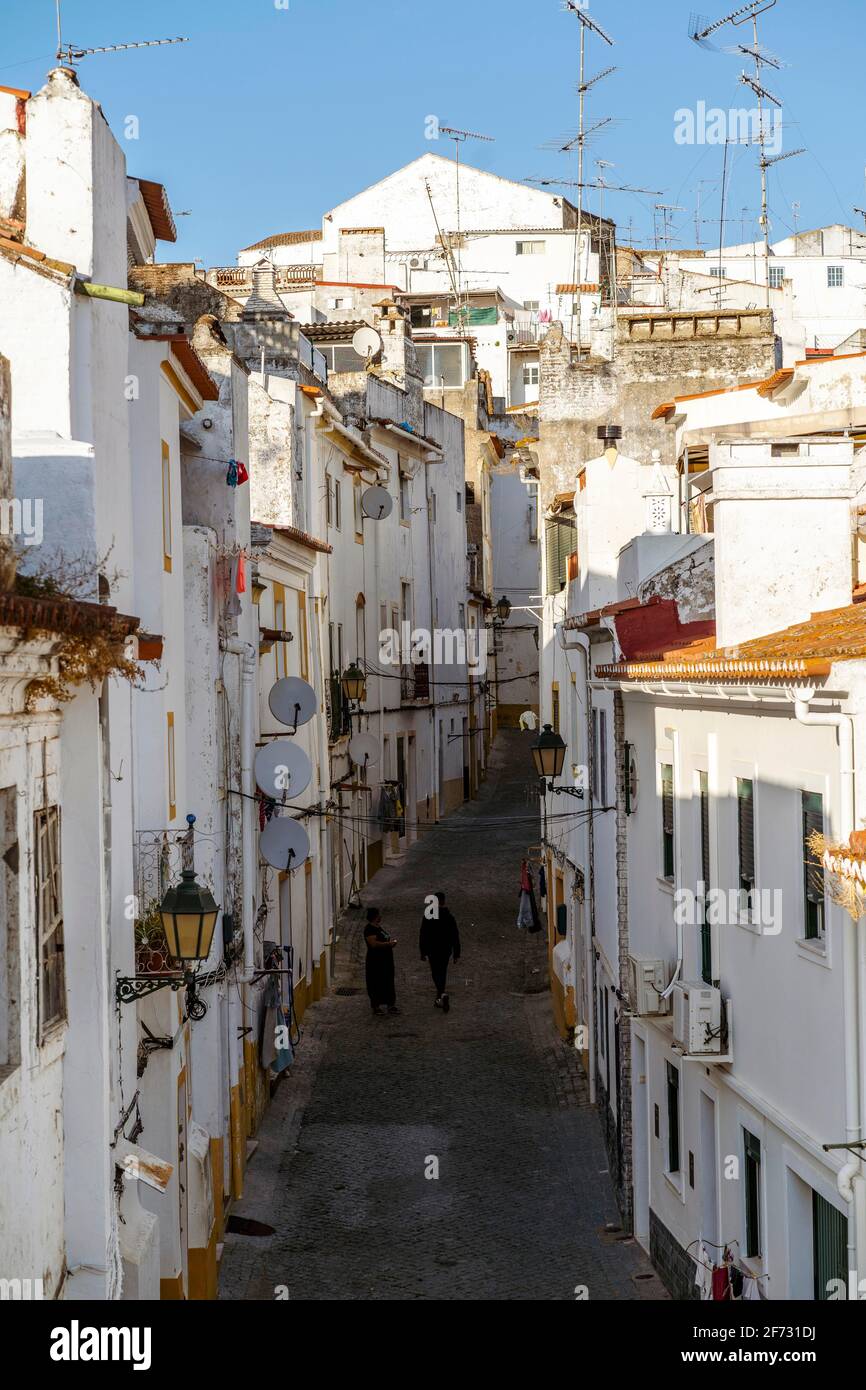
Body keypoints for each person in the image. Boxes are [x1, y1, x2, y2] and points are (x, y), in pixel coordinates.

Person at [419, 891, 460, 1013]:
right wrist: (456, 952)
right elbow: (455, 935)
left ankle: (441, 994)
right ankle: (440, 996)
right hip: (445, 949)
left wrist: (422, 951)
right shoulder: (449, 917)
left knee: (435, 972)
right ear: (443, 901)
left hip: (432, 949)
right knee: (443, 971)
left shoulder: (428, 915)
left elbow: (423, 934)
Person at [364, 907, 398, 1014]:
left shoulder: (378, 927)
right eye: (379, 914)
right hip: (376, 962)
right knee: (376, 982)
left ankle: (390, 1004)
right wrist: (389, 944)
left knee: (388, 982)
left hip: (386, 961)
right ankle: (376, 1006)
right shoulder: (369, 929)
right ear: (375, 916)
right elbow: (373, 944)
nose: (380, 916)